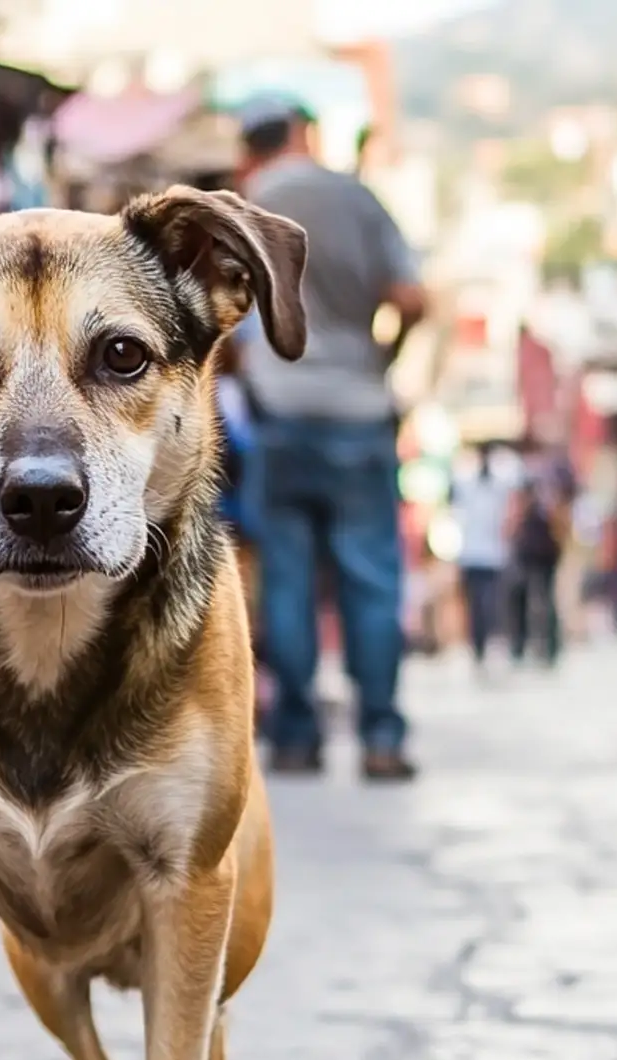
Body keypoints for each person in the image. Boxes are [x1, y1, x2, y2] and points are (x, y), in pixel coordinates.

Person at [238, 92, 428, 782]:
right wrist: (383, 358)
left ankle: (295, 734)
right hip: (360, 407)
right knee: (371, 575)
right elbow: (413, 299)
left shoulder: (246, 205)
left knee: (286, 575)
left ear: (247, 146)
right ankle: (381, 735)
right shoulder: (356, 198)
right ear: (304, 133)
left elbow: (226, 333)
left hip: (281, 409)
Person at [450, 445, 518, 672]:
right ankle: (478, 644)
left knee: (489, 603)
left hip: (491, 556)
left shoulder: (498, 488)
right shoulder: (467, 486)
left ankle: (486, 641)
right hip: (472, 555)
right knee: (476, 605)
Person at [506, 451, 565, 665]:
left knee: (543, 601)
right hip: (530, 555)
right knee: (528, 600)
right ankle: (525, 645)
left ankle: (546, 646)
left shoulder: (545, 500)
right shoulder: (532, 498)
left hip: (542, 555)